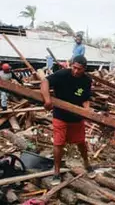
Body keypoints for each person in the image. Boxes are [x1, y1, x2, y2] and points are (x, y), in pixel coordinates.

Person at [41, 55, 93, 185]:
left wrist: (87, 111)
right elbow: (45, 82)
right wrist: (47, 100)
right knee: (59, 144)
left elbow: (86, 98)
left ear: (84, 69)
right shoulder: (62, 74)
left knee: (81, 143)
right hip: (60, 115)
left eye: (79, 69)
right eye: (74, 68)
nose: (76, 71)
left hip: (76, 117)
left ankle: (87, 164)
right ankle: (57, 172)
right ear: (71, 65)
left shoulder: (86, 80)